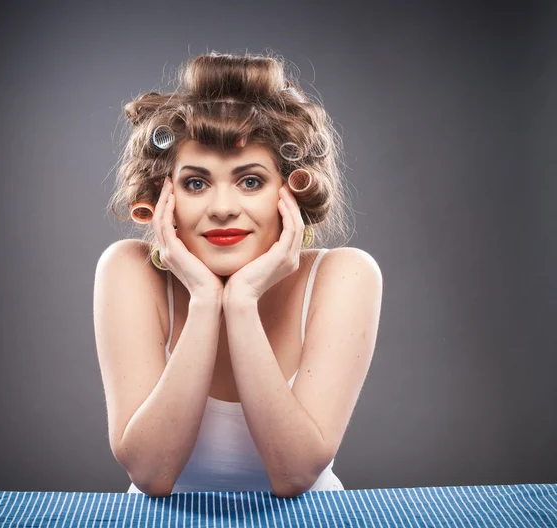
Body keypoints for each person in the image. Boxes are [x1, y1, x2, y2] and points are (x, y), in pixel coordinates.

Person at [93, 51, 383, 498]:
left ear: (289, 191)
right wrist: (206, 300)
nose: (223, 207)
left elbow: (294, 475)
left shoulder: (345, 276)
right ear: (164, 193)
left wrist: (242, 300)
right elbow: (151, 474)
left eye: (250, 181)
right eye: (196, 183)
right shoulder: (128, 270)